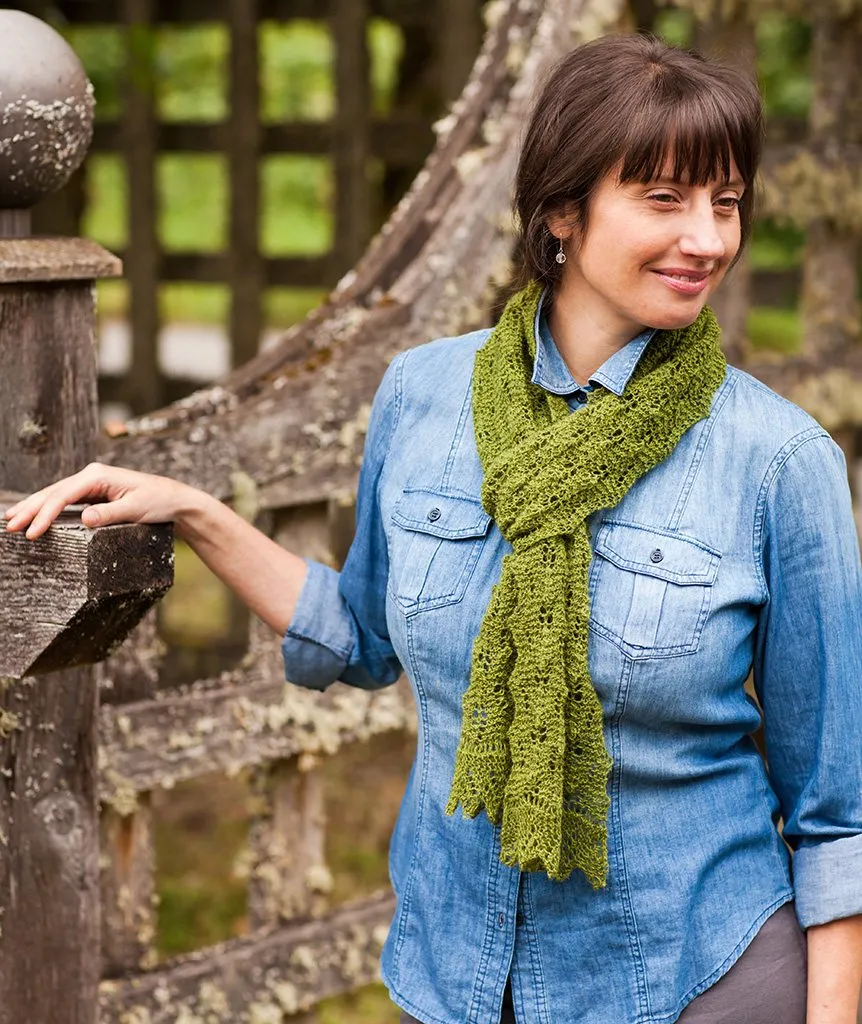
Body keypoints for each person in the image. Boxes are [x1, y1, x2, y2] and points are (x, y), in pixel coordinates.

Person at [5, 33, 862, 1024]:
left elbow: (836, 813)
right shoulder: (424, 399)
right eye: (664, 199)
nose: (710, 237)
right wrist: (196, 512)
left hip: (692, 977)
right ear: (560, 214)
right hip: (456, 972)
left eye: (726, 201)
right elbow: (361, 636)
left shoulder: (774, 460)